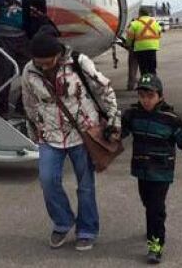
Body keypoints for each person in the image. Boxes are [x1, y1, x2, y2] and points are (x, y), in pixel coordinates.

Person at [21, 32, 121, 252]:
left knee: (85, 186)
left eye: (47, 62)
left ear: (58, 54)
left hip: (82, 132)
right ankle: (63, 221)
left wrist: (114, 120)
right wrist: (33, 132)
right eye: (39, 62)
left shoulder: (79, 62)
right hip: (50, 134)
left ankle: (87, 230)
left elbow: (104, 88)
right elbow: (28, 103)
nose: (43, 66)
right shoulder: (29, 70)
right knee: (47, 180)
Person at [121, 73, 182, 264]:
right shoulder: (133, 115)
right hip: (142, 170)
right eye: (142, 96)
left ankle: (155, 245)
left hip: (161, 171)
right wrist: (110, 132)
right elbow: (121, 131)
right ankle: (157, 219)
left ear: (160, 96)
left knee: (154, 209)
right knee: (148, 203)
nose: (146, 101)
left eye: (150, 96)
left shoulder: (170, 119)